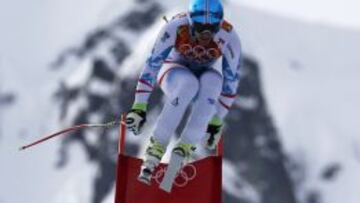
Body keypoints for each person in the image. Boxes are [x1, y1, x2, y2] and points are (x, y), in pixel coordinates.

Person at [125, 0, 242, 184]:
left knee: (214, 80)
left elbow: (231, 82)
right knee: (188, 84)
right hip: (174, 72)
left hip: (204, 77)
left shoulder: (229, 37)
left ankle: (186, 146)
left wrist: (217, 119)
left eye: (211, 28)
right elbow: (152, 65)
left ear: (219, 24)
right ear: (190, 21)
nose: (206, 34)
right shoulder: (176, 27)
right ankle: (156, 148)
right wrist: (139, 105)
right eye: (200, 27)